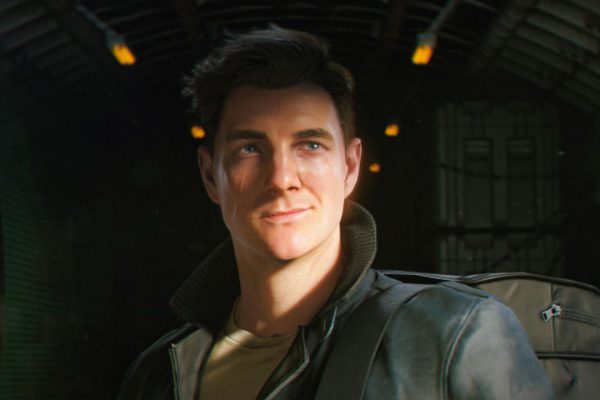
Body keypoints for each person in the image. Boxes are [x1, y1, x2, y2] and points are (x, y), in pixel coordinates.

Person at [119, 27, 554, 399]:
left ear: (349, 167)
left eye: (310, 145)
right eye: (250, 148)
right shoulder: (160, 373)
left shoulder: (455, 335)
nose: (282, 178)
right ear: (210, 176)